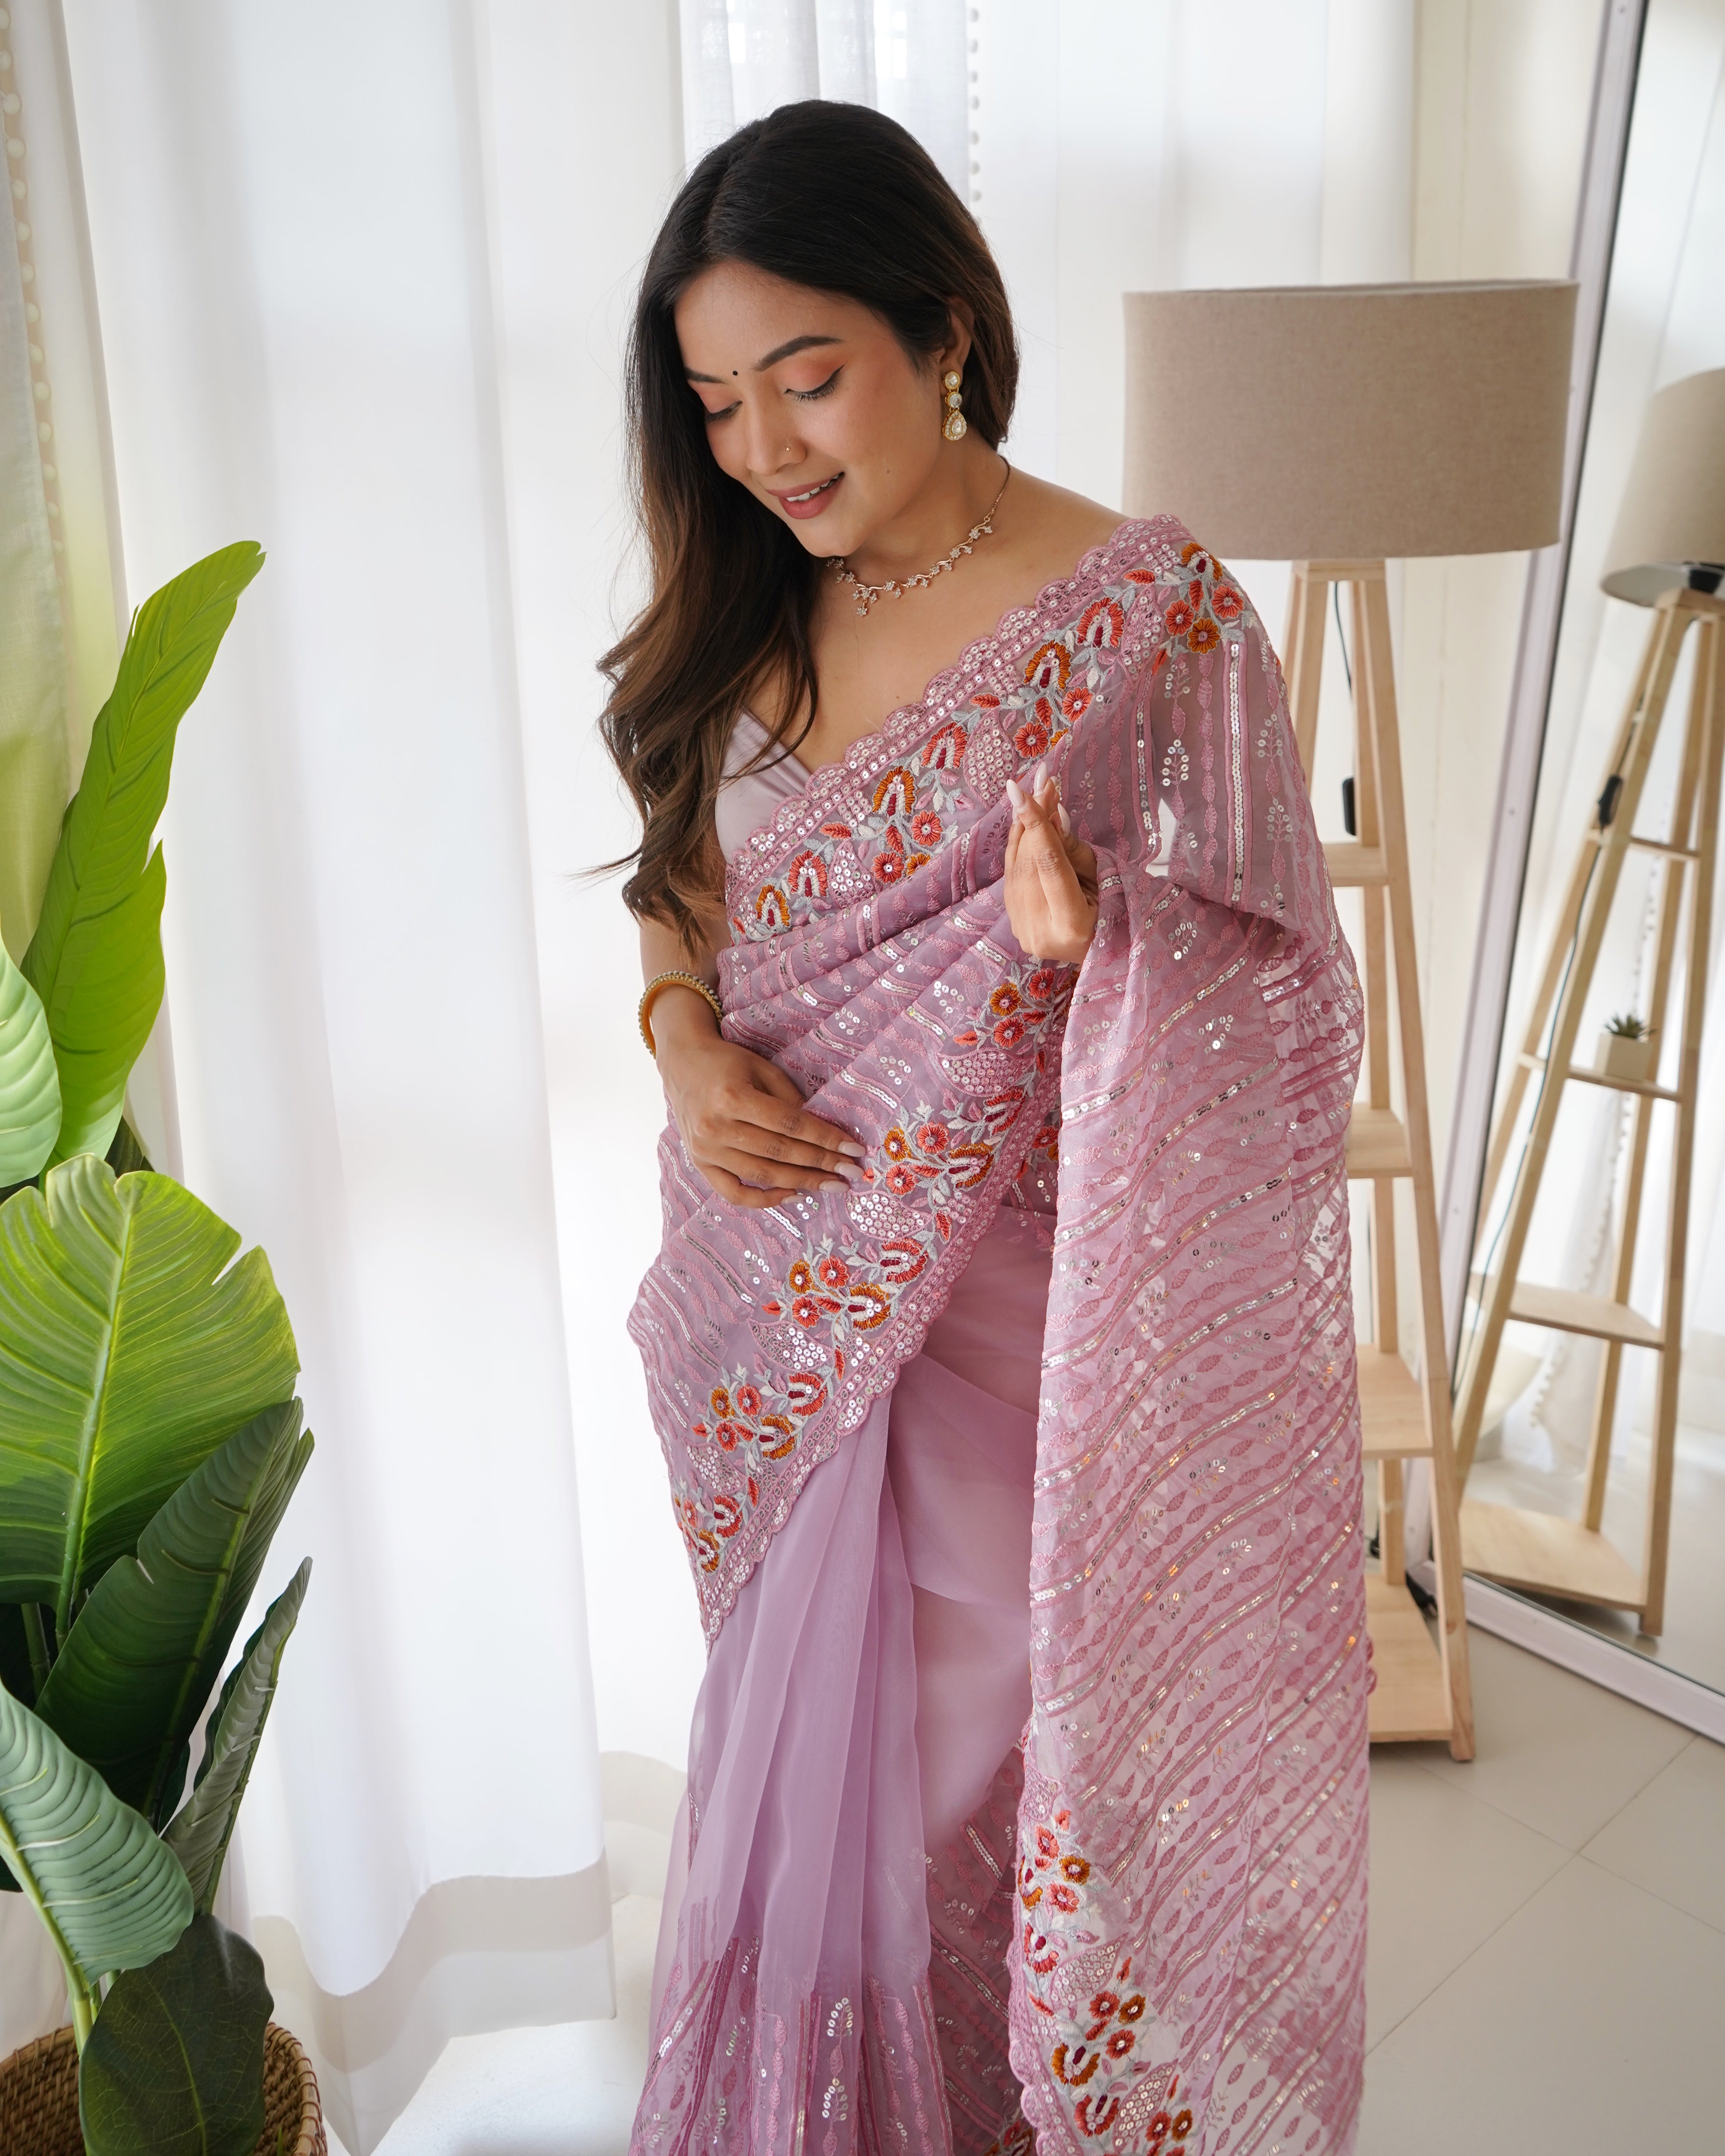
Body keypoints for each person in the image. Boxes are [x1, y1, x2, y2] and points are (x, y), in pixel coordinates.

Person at [600, 100, 1368, 2156]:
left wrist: (1104, 930)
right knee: (804, 1809)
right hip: (783, 1318)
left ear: (942, 324)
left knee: (980, 1787)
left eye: (807, 375)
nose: (765, 446)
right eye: (715, 401)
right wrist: (681, 1035)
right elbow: (680, 879)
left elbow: (1283, 983)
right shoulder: (751, 603)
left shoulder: (1147, 613)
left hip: (1023, 1339)